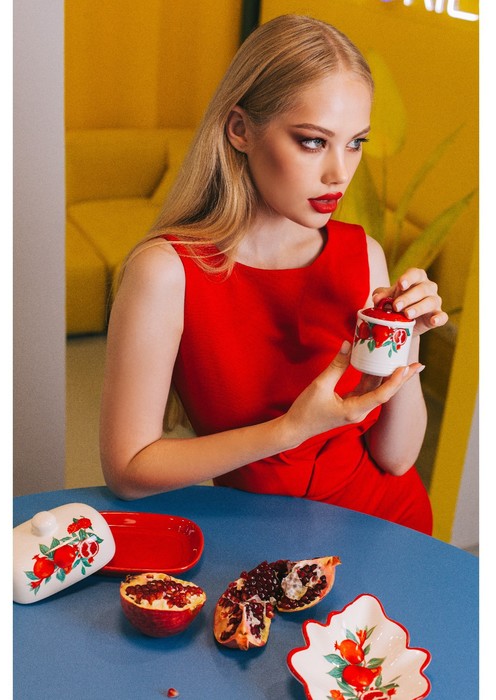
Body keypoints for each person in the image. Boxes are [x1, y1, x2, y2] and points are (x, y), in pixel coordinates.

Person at [99, 14, 448, 535]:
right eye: (313, 141)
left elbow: (396, 458)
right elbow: (127, 471)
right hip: (260, 537)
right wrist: (290, 430)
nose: (340, 173)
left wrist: (407, 340)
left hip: (390, 524)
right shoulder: (166, 272)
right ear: (240, 129)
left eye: (355, 142)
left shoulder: (364, 254)